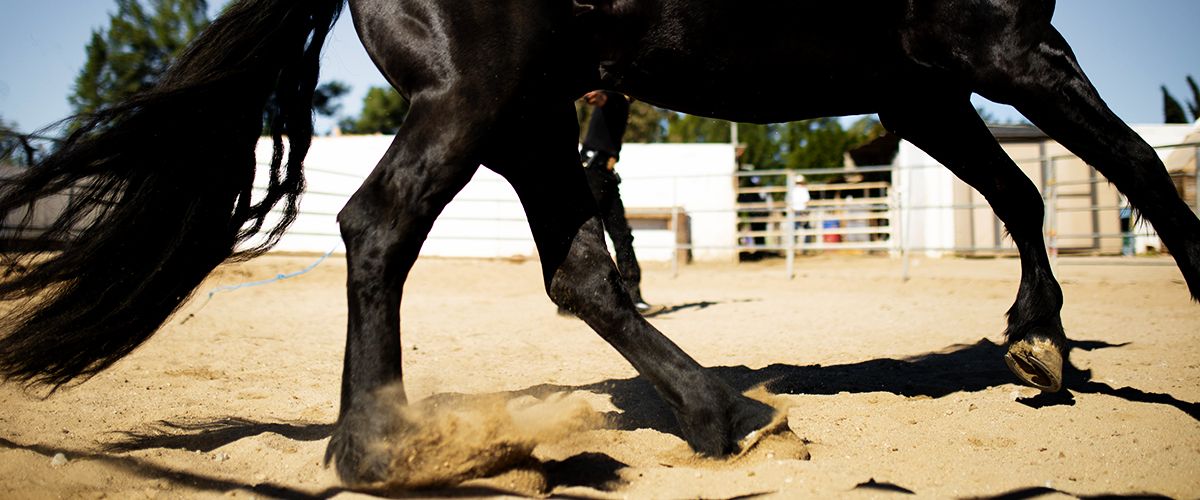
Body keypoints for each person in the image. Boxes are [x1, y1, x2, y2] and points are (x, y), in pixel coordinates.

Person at [577, 90, 654, 313]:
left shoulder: (622, 102)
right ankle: (627, 296)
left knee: (618, 236)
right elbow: (599, 97)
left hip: (604, 175)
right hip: (594, 175)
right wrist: (592, 94)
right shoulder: (616, 97)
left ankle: (632, 297)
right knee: (598, 236)